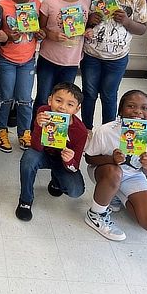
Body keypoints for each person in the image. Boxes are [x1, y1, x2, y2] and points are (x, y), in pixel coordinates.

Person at [81, 0, 147, 130]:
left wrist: (127, 21)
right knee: (89, 93)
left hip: (117, 57)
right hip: (92, 54)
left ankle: (108, 130)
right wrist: (89, 21)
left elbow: (142, 28)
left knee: (109, 95)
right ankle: (86, 129)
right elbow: (80, 22)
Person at [84, 90, 147, 241]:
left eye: (144, 108)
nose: (137, 111)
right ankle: (95, 214)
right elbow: (89, 158)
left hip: (134, 175)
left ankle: (117, 194)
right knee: (115, 172)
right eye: (131, 106)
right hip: (105, 171)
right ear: (120, 110)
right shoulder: (107, 131)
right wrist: (110, 159)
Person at [0, 0, 48, 153]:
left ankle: (25, 132)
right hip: (7, 59)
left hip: (27, 60)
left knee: (25, 99)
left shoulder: (36, 5)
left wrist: (40, 33)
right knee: (5, 97)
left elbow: (40, 34)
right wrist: (9, 37)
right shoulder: (2, 5)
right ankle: (1, 129)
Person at [32, 0, 92, 126]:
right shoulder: (50, 2)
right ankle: (35, 131)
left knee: (64, 102)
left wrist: (88, 31)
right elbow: (41, 28)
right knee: (44, 97)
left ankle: (56, 133)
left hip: (71, 61)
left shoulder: (86, 2)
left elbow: (86, 26)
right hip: (48, 58)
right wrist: (52, 35)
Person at [16, 82, 87, 221]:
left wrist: (69, 161)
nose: (62, 107)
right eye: (58, 101)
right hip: (43, 153)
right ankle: (25, 199)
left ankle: (56, 181)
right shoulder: (43, 112)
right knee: (29, 159)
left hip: (62, 160)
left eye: (70, 105)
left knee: (75, 190)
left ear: (77, 109)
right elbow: (36, 147)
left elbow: (75, 166)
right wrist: (39, 126)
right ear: (50, 100)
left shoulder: (81, 131)